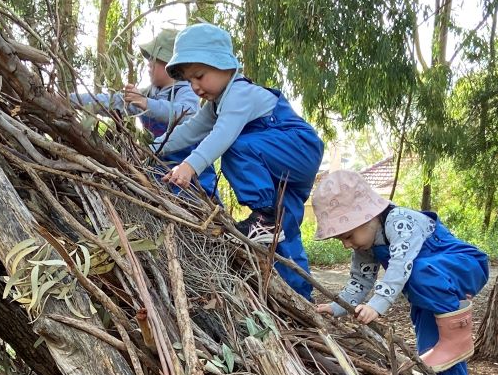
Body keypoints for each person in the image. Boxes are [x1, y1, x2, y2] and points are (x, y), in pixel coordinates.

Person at [159, 23, 324, 298]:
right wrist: (153, 148)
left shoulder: (239, 93)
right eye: (189, 81)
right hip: (280, 168)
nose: (195, 86)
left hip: (297, 147)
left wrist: (189, 166)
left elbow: (222, 136)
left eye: (200, 75)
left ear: (224, 65)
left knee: (235, 146)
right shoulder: (215, 104)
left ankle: (263, 213)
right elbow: (189, 132)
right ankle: (300, 300)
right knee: (284, 233)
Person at [310, 168, 490, 375]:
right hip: (432, 294)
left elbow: (400, 265)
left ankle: (456, 337)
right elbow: (360, 280)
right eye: (341, 239)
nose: (346, 245)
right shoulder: (366, 245)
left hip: (462, 267)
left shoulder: (399, 221)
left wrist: (376, 305)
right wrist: (337, 307)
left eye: (348, 236)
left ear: (368, 217)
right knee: (433, 349)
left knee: (418, 272)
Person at [69, 28, 219, 198]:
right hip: (160, 172)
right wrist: (69, 100)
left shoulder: (186, 90)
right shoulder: (148, 93)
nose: (148, 63)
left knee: (194, 207)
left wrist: (147, 103)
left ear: (170, 64)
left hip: (193, 176)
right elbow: (108, 101)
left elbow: (186, 113)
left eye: (152, 58)